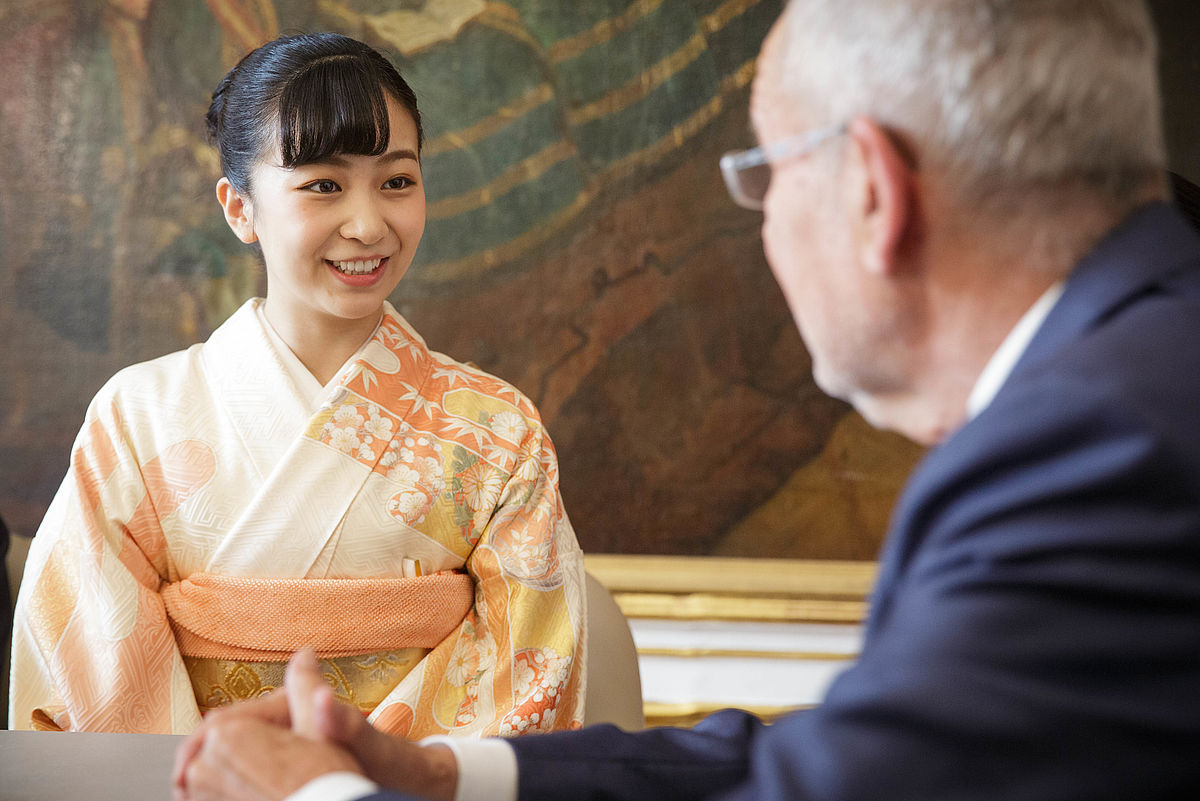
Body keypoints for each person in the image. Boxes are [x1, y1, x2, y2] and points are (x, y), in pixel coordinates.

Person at [173, 1, 1200, 799]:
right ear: (239, 208)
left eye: (763, 175)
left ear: (872, 195)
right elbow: (857, 754)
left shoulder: (1092, 447)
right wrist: (439, 774)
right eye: (320, 184)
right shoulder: (1141, 377)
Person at [8, 33, 586, 738]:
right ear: (239, 208)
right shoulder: (137, 418)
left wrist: (365, 780)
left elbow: (528, 677)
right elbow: (88, 669)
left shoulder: (499, 431)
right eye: (323, 185)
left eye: (397, 181)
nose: (370, 223)